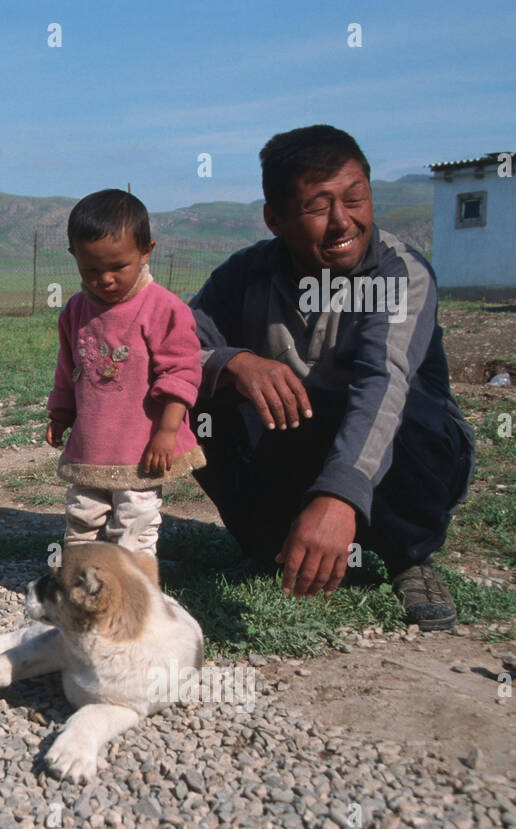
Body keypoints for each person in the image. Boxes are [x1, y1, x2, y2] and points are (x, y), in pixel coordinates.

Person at [189, 124, 475, 628]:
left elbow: (381, 384)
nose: (343, 222)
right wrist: (232, 363)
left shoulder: (398, 274)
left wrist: (339, 496)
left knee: (400, 402)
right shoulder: (246, 274)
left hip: (405, 460)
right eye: (318, 208)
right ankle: (268, 544)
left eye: (355, 198)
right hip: (301, 448)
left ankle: (408, 558)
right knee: (195, 399)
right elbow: (175, 348)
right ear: (274, 219)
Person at [46, 189, 205, 557]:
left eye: (118, 267)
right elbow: (69, 368)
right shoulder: (75, 310)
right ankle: (77, 574)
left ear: (146, 250)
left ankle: (136, 587)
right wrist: (61, 413)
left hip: (143, 445)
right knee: (82, 514)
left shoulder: (163, 309)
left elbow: (181, 372)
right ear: (74, 257)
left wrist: (167, 432)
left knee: (135, 523)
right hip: (92, 442)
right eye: (91, 269)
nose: (105, 279)